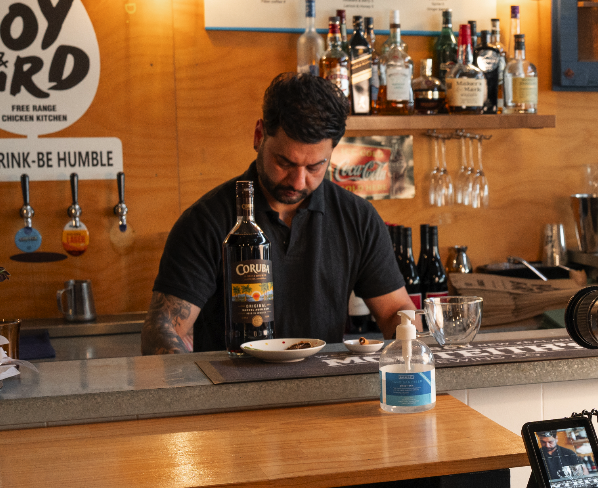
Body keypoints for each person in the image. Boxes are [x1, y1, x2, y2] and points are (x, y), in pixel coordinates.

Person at [142, 74, 414, 354]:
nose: (298, 182)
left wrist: (415, 339)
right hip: (230, 393)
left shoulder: (358, 219)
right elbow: (162, 327)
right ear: (259, 135)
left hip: (327, 391)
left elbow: (394, 310)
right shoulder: (207, 221)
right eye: (284, 162)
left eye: (314, 168)